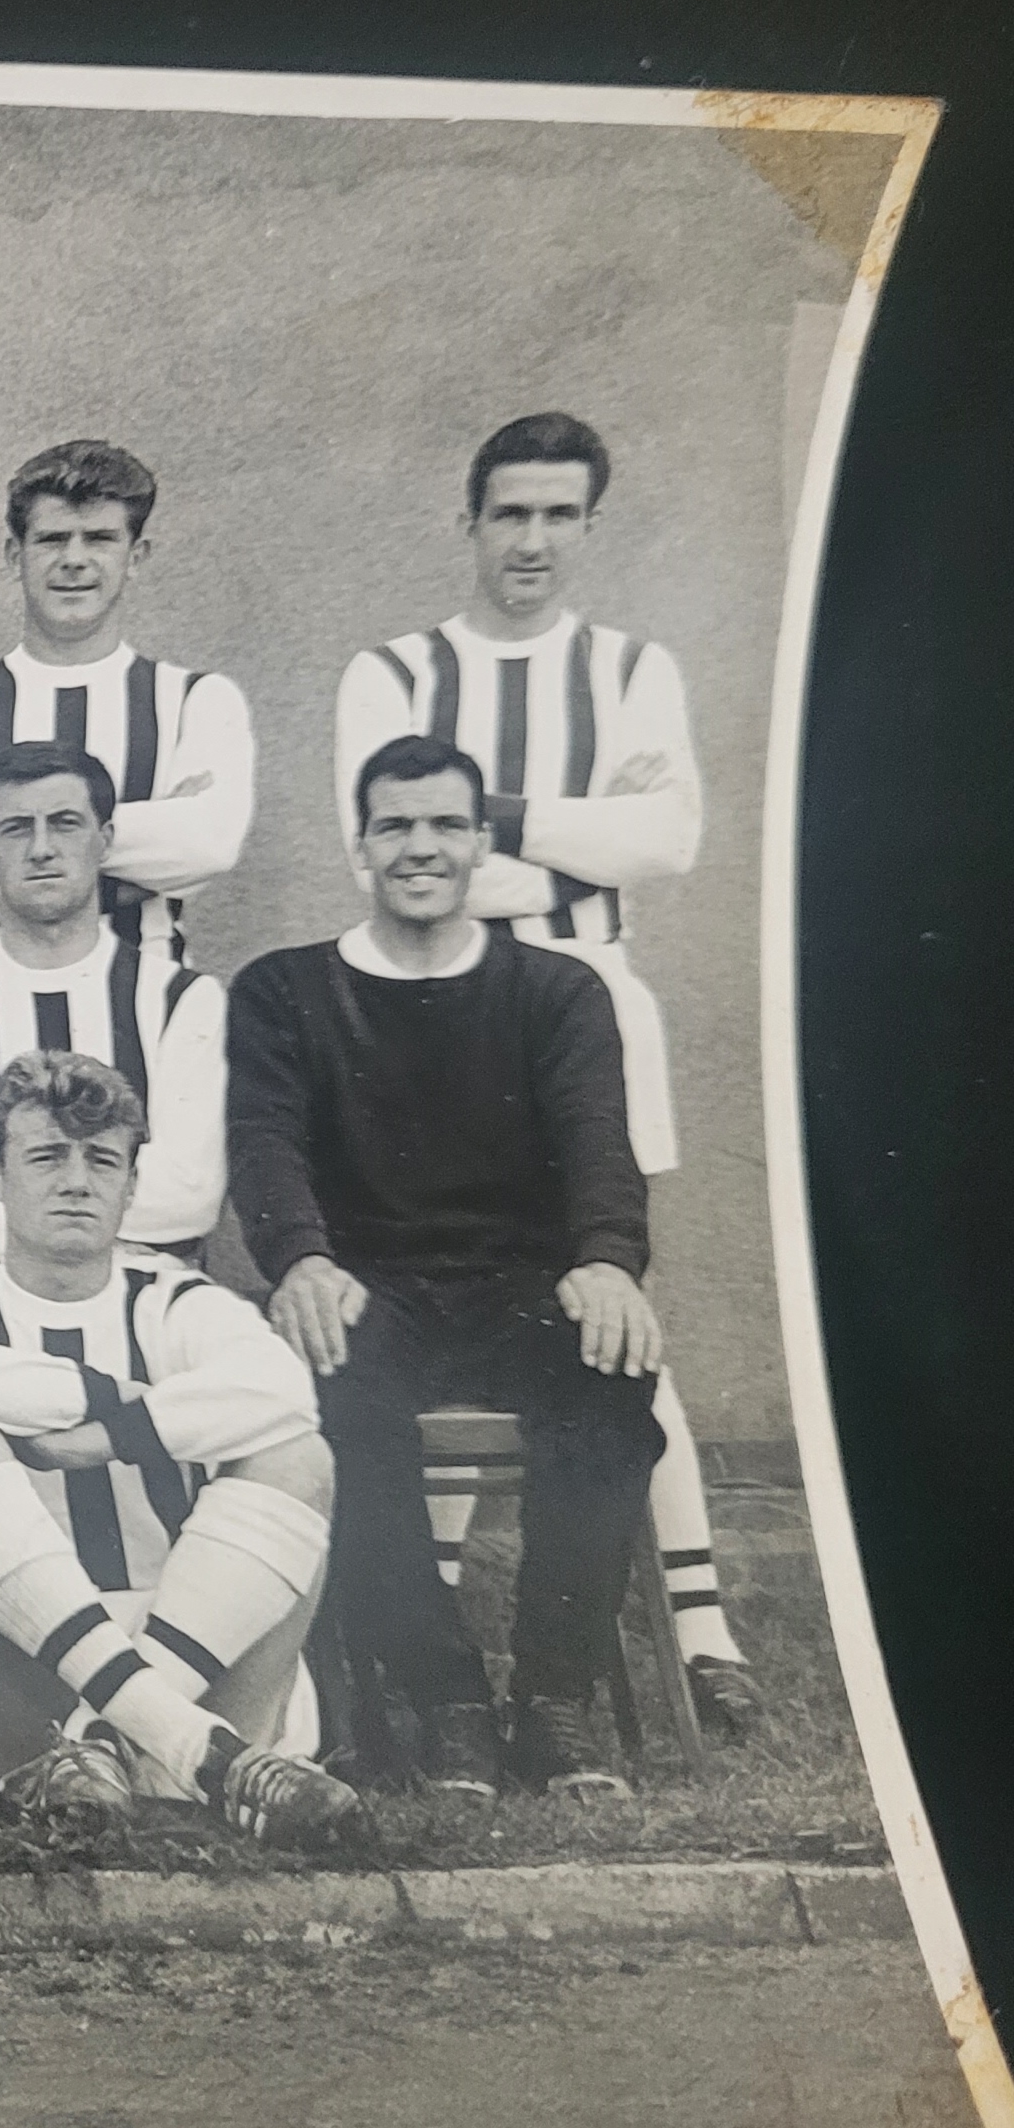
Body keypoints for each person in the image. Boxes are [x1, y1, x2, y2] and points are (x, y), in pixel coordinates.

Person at [332, 411, 753, 1737]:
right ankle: (443, 1623)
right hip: (428, 1011)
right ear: (469, 521)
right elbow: (390, 858)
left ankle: (702, 1626)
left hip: (588, 1007)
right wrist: (578, 836)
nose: (530, 540)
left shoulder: (630, 668)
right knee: (447, 1287)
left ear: (587, 525)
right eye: (508, 513)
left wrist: (497, 819)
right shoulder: (394, 671)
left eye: (558, 515)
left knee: (608, 1303)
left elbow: (671, 836)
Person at [230, 735, 666, 1799]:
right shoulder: (286, 989)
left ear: (479, 843)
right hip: (365, 1283)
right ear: (358, 845)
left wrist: (607, 1261)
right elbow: (266, 1142)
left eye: (443, 824)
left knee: (611, 1376)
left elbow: (597, 1142)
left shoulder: (556, 990)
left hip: (521, 1286)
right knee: (326, 1392)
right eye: (394, 824)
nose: (418, 846)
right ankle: (444, 1693)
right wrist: (299, 1259)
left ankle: (555, 1698)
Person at [0, 1053, 357, 1844]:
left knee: (298, 1456)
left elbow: (284, 1392)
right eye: (47, 1155)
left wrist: (108, 1437)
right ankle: (186, 1753)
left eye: (102, 1159)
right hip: (13, 1677)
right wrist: (135, 1404)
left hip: (196, 1637)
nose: (75, 1180)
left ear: (132, 1184)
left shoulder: (180, 1303)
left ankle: (120, 1740)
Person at [0, 741, 226, 1269]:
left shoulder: (182, 1000)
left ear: (103, 840)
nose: (41, 848)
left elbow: (189, 1199)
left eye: (65, 823)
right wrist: (109, 1203)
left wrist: (2, 1179)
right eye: (17, 828)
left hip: (146, 1299)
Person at [0, 440, 253, 960]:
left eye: (100, 539)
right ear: (15, 556)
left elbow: (210, 846)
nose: (74, 560)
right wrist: (143, 859)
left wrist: (17, 844)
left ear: (136, 557)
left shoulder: (196, 700)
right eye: (52, 539)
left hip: (145, 1002)